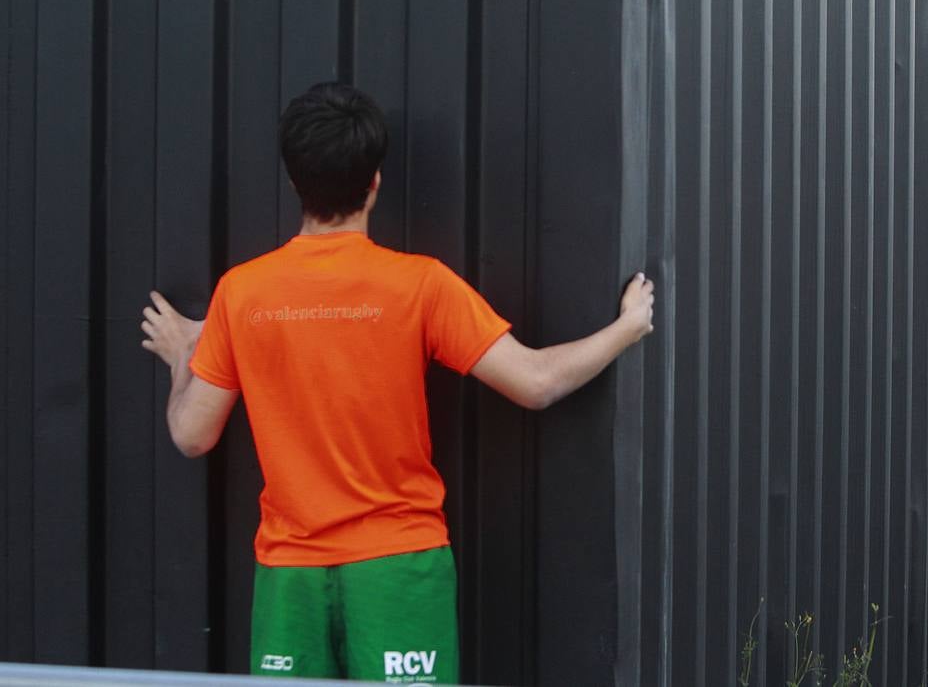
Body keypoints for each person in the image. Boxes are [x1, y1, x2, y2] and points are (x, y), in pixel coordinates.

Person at [139, 82, 655, 683]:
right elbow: (535, 382)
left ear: (293, 181)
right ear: (375, 181)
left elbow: (192, 434)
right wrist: (628, 326)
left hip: (290, 577)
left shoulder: (242, 293)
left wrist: (183, 356)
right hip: (399, 569)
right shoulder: (420, 286)